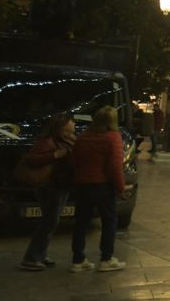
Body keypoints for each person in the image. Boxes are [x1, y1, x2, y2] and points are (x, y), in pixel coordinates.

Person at [69, 105, 129, 272]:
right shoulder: (113, 137)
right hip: (103, 185)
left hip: (82, 185)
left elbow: (74, 161)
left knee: (81, 222)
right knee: (109, 221)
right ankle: (106, 258)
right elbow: (115, 167)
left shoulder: (83, 137)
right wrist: (120, 188)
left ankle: (78, 259)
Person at [18, 113, 76, 271]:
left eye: (72, 130)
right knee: (49, 222)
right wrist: (55, 155)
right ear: (57, 129)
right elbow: (32, 159)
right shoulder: (46, 142)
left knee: (51, 221)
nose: (70, 134)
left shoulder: (67, 140)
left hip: (62, 185)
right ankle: (31, 257)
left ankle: (40, 254)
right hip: (51, 186)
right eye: (66, 131)